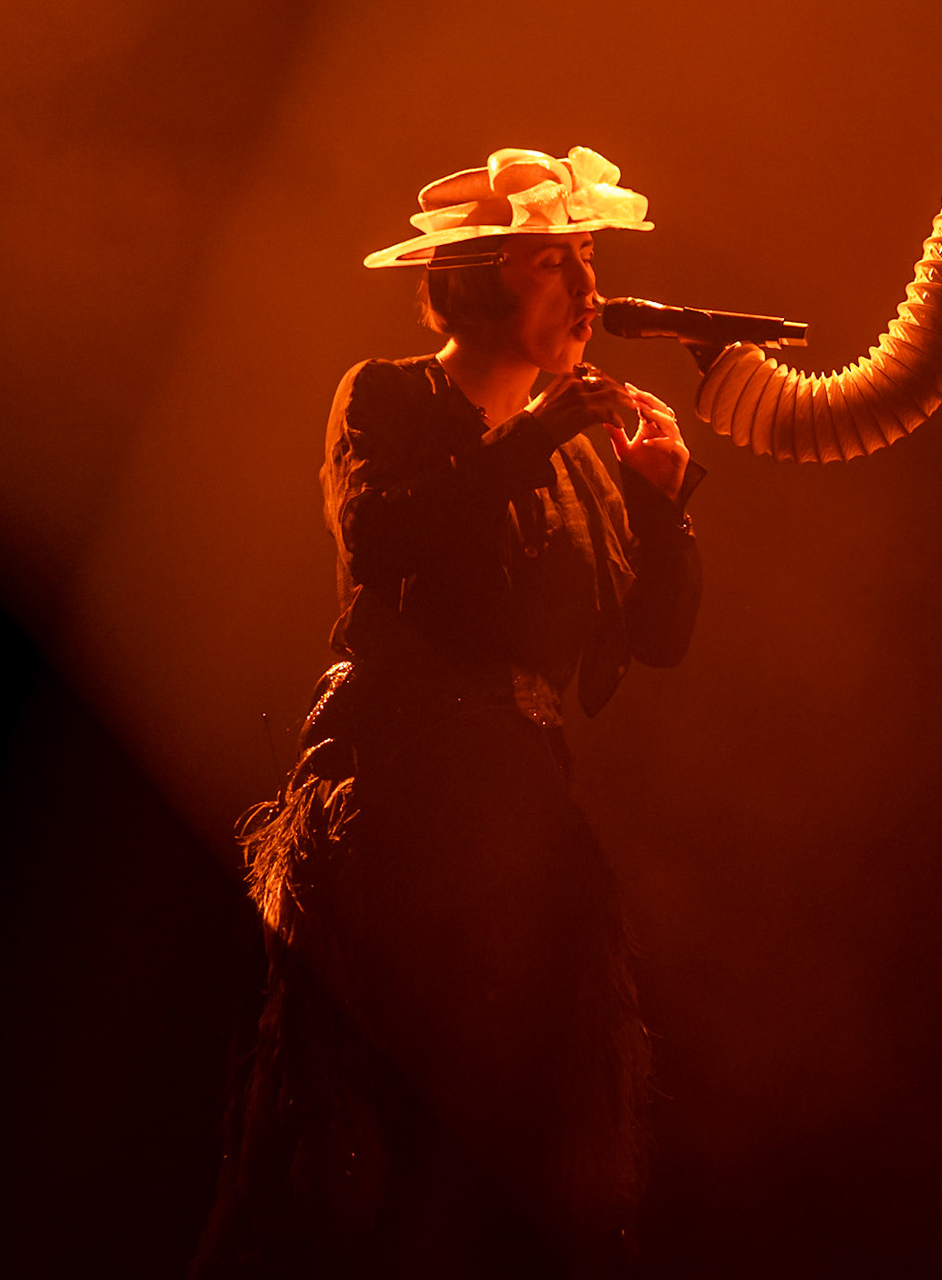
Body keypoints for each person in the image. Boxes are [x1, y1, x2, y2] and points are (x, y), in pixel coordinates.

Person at [193, 146, 701, 1278]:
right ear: (472, 285)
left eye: (586, 261)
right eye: (552, 262)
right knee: (370, 1128)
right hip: (401, 789)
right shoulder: (386, 398)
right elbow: (386, 538)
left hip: (522, 814)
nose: (586, 289)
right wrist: (543, 435)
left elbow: (650, 645)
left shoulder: (572, 455)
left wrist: (665, 506)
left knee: (527, 1141)